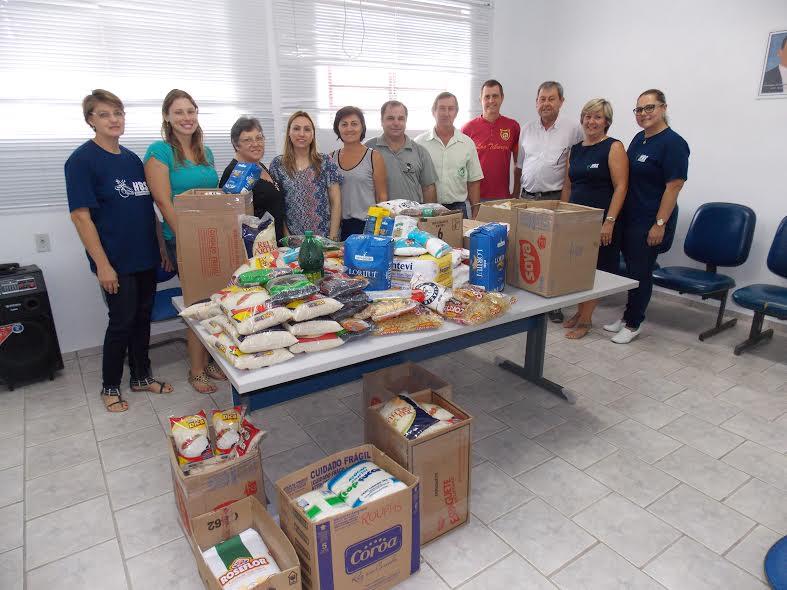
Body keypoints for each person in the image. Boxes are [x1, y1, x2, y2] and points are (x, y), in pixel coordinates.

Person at [66, 89, 173, 412]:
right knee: (121, 322)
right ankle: (109, 385)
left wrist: (160, 249)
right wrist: (102, 265)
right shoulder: (81, 161)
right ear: (90, 120)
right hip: (116, 261)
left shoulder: (130, 159)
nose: (114, 120)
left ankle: (141, 377)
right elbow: (81, 216)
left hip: (145, 256)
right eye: (104, 114)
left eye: (118, 113)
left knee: (142, 319)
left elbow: (148, 209)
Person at [144, 89, 226, 394]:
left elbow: (213, 198)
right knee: (197, 303)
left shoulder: (207, 153)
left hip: (213, 237)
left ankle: (214, 359)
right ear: (167, 116)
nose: (186, 118)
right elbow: (163, 202)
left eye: (190, 111)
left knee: (219, 301)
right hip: (183, 239)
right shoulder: (160, 151)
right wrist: (186, 240)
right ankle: (196, 371)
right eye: (179, 112)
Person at [605, 89, 689, 344]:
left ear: (663, 107)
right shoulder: (639, 139)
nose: (643, 114)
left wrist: (659, 224)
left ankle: (634, 323)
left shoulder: (673, 143)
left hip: (650, 221)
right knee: (630, 271)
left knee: (640, 272)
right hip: (630, 217)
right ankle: (627, 314)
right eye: (639, 110)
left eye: (649, 108)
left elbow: (673, 186)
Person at [559, 98, 628, 339]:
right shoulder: (575, 149)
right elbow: (568, 185)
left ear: (607, 121)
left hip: (600, 223)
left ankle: (586, 320)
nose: (592, 121)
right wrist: (563, 216)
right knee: (577, 270)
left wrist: (609, 221)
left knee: (595, 272)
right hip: (575, 221)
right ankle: (580, 312)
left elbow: (621, 187)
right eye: (588, 116)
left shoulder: (614, 147)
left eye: (598, 117)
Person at [516, 81, 583, 322]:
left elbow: (575, 168)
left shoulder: (573, 129)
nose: (546, 103)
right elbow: (520, 165)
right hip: (526, 197)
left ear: (561, 102)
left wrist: (565, 204)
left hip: (554, 199)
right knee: (526, 250)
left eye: (551, 99)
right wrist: (516, 197)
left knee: (552, 255)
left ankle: (554, 304)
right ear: (536, 102)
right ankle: (527, 297)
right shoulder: (527, 128)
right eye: (542, 99)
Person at [269, 111, 342, 240]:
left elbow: (336, 201)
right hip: (293, 240)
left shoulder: (326, 162)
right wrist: (288, 239)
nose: (301, 134)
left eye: (307, 129)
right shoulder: (277, 165)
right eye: (296, 128)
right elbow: (278, 206)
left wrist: (332, 238)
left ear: (313, 134)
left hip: (324, 239)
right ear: (289, 133)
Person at [415, 92, 483, 218]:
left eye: (450, 109)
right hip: (427, 209)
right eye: (441, 108)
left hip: (459, 209)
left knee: (459, 239)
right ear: (433, 111)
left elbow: (474, 182)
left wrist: (475, 212)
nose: (446, 113)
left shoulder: (467, 144)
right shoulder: (419, 143)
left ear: (456, 112)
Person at [219, 117, 285, 242]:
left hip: (274, 243)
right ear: (236, 144)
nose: (255, 144)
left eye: (259, 138)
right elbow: (231, 222)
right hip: (254, 249)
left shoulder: (259, 166)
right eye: (247, 140)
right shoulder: (234, 172)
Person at [330, 106, 388, 239]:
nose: (349, 128)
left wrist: (377, 232)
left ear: (362, 127)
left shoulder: (374, 157)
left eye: (354, 124)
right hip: (339, 228)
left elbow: (382, 197)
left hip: (367, 227)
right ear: (337, 128)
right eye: (344, 124)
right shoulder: (330, 159)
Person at [365, 101, 438, 203]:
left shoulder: (420, 151)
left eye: (400, 118)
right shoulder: (368, 149)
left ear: (406, 121)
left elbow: (428, 188)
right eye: (390, 118)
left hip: (413, 217)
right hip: (378, 217)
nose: (396, 123)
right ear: (382, 121)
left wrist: (428, 217)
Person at [461, 79, 521, 200]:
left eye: (495, 96)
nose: (491, 100)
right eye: (487, 96)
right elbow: (461, 167)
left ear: (502, 98)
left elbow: (518, 164)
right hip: (475, 199)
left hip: (503, 198)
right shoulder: (467, 129)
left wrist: (515, 193)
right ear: (480, 99)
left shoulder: (513, 126)